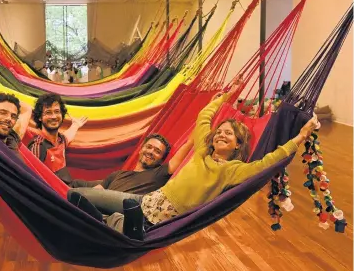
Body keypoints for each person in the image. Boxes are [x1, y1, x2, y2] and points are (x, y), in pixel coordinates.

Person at [70, 89, 320, 240]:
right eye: (220, 131)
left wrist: (299, 137)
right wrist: (220, 100)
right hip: (146, 202)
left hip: (162, 218)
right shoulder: (202, 151)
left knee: (120, 223)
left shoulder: (232, 171)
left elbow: (269, 161)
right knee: (78, 195)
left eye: (229, 135)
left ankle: (125, 226)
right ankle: (117, 222)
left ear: (237, 146)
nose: (222, 135)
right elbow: (204, 118)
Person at [68, 133, 194, 214]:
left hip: (128, 211)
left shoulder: (159, 173)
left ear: (161, 159)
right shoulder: (117, 174)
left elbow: (189, 144)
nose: (151, 152)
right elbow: (93, 194)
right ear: (141, 149)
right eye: (149, 147)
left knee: (73, 193)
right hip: (98, 211)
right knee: (76, 189)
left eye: (157, 151)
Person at [28, 93, 87, 185]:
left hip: (72, 185)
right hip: (61, 194)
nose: (54, 116)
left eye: (57, 111)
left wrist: (75, 125)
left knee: (116, 177)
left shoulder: (60, 140)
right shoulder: (38, 145)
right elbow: (32, 179)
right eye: (48, 112)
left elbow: (68, 136)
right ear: (40, 117)